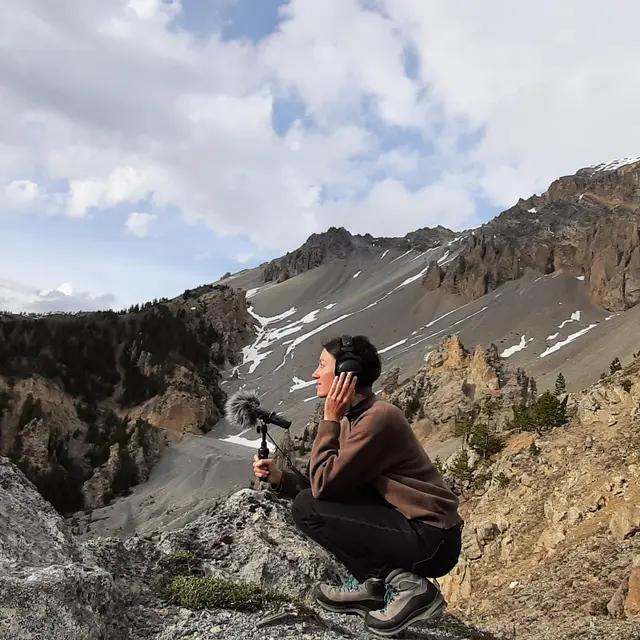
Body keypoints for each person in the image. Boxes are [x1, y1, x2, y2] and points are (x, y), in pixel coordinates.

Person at [253, 334, 463, 637]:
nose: (314, 374)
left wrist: (329, 419)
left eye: (321, 365)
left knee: (305, 508)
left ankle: (407, 588)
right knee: (308, 505)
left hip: (431, 538)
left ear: (345, 374)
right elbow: (333, 490)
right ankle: (375, 587)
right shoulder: (357, 418)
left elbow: (322, 487)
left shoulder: (378, 418)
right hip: (413, 530)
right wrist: (280, 479)